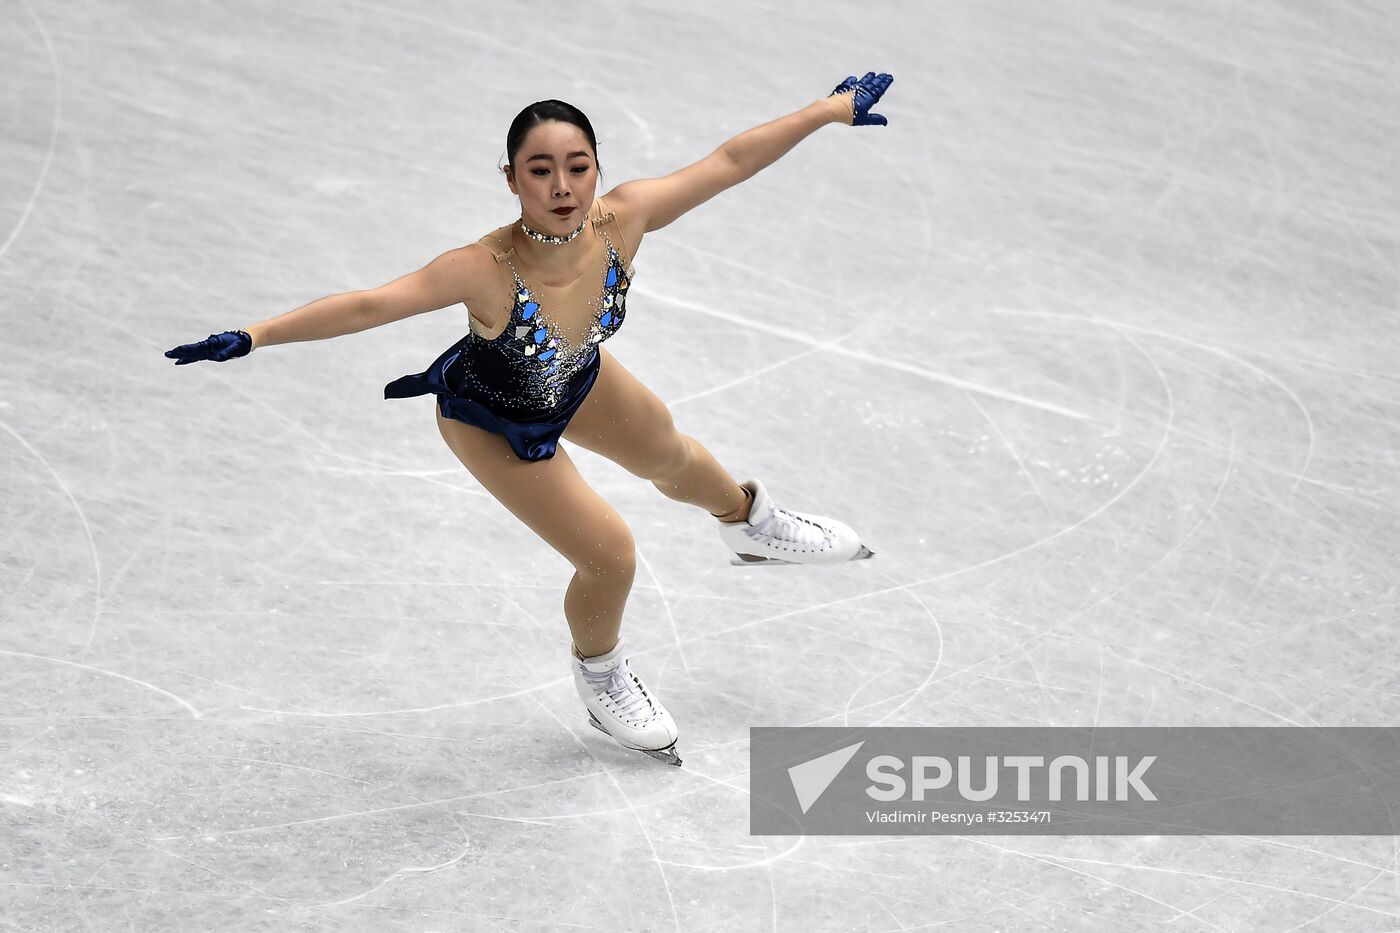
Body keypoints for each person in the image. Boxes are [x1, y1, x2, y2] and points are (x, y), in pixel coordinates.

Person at [165, 72, 895, 767]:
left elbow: (730, 161)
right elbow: (369, 304)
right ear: (511, 179)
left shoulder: (625, 219)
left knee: (671, 451)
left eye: (577, 167)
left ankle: (750, 525)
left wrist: (829, 109)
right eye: (540, 170)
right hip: (492, 419)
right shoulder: (480, 267)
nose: (561, 186)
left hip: (574, 377)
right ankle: (601, 673)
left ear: (597, 171)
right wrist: (257, 334)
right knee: (610, 553)